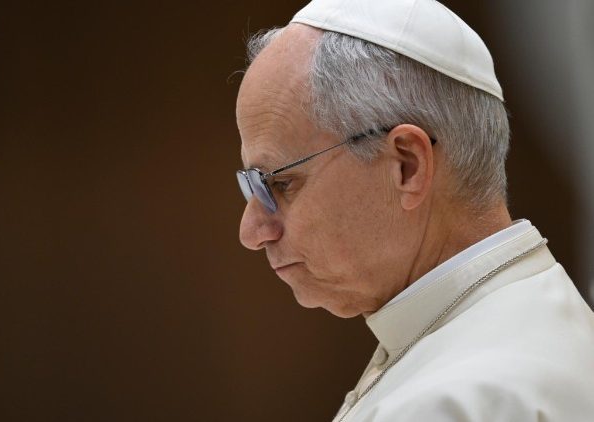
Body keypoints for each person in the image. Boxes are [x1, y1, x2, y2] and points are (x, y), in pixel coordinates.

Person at [234, 0, 594, 420]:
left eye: (279, 183)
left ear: (407, 166)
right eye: (250, 187)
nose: (252, 231)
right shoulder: (543, 319)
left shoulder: (453, 401)